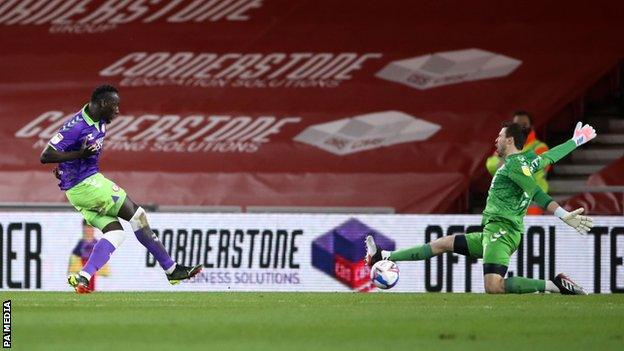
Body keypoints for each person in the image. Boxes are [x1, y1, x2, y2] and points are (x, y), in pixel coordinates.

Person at [366, 121, 597, 294]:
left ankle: (554, 285)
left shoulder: (514, 166)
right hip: (492, 232)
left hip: (502, 232)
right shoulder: (527, 162)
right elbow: (549, 157)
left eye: (499, 136)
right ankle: (383, 255)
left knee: (493, 287)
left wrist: (563, 214)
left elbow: (535, 192)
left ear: (509, 140)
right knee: (442, 243)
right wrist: (576, 141)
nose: (495, 140)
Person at [41, 84, 202, 294]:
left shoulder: (99, 120)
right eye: (115, 106)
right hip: (88, 185)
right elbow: (46, 155)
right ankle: (172, 269)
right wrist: (76, 157)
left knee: (116, 234)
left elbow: (66, 156)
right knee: (138, 216)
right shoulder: (76, 126)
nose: (118, 111)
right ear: (103, 103)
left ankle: (83, 277)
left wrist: (66, 167)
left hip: (78, 191)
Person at [486, 110, 550, 214]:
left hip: (532, 202)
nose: (521, 127)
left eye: (524, 124)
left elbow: (537, 169)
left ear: (531, 126)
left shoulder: (540, 147)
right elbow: (491, 164)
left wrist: (506, 165)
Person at [68, 220, 110, 291]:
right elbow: (75, 255)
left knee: (92, 281)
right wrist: (72, 267)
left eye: (90, 228)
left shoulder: (97, 243)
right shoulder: (81, 243)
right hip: (83, 264)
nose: (89, 230)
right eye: (87, 228)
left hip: (93, 264)